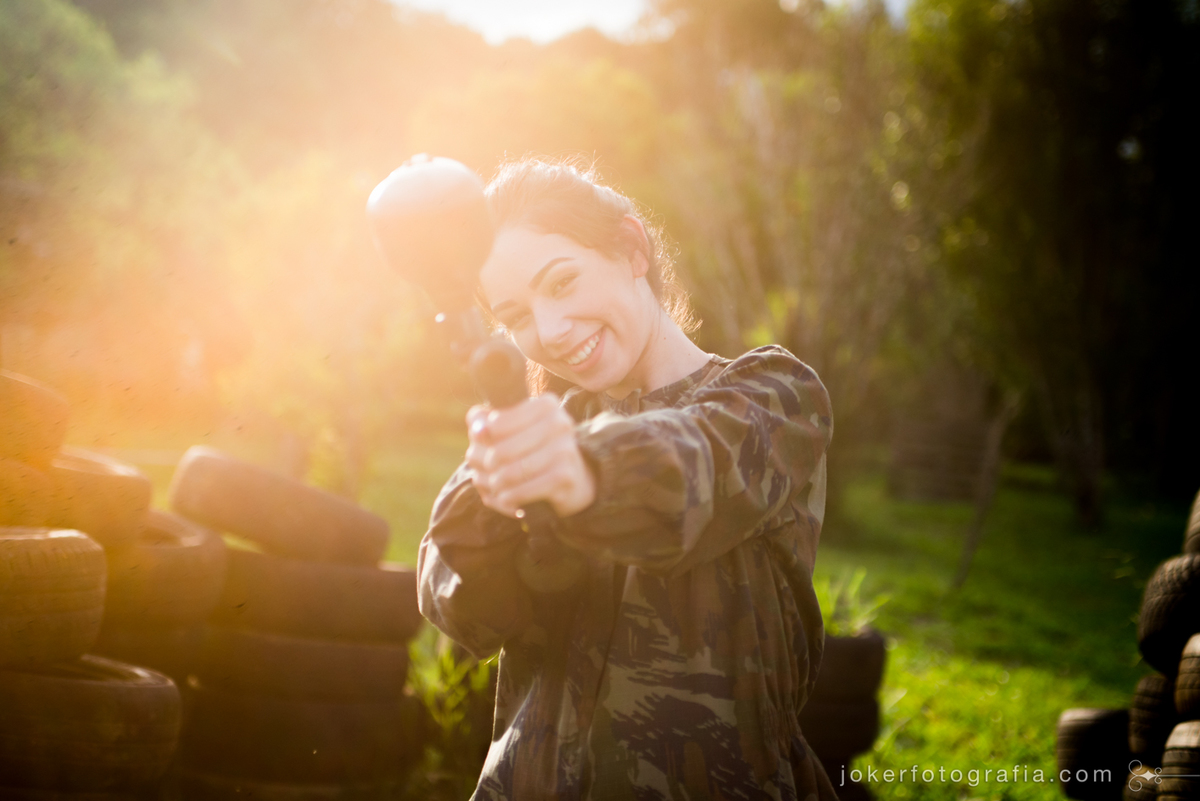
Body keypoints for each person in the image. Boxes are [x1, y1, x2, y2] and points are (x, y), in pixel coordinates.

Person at [416, 157, 837, 801]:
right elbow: (453, 598)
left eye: (561, 284)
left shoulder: (778, 397)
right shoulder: (543, 430)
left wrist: (580, 471)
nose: (550, 333)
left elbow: (691, 467)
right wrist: (495, 491)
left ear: (632, 249)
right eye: (517, 316)